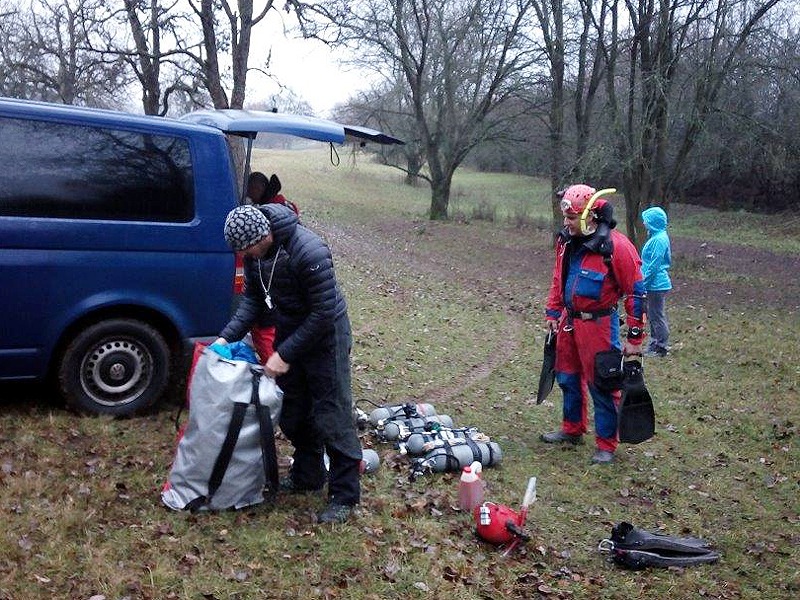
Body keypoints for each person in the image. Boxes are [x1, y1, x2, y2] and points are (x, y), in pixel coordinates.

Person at [214, 204, 361, 524]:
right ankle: (309, 475)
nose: (245, 256)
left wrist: (284, 355)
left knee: (331, 414)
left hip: (326, 337)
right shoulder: (255, 257)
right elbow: (252, 301)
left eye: (246, 249)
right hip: (291, 329)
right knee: (293, 412)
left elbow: (322, 314)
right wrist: (224, 340)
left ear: (263, 235)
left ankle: (345, 495)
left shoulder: (308, 251)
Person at [540, 184, 647, 464]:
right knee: (566, 377)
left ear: (590, 216)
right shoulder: (566, 243)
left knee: (602, 383)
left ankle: (606, 444)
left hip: (599, 325)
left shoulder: (617, 247)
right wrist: (553, 313)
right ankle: (572, 429)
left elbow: (636, 291)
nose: (566, 222)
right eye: (566, 217)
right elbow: (558, 280)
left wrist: (634, 338)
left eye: (571, 218)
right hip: (568, 322)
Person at [243, 172, 301, 364]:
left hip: (281, 273)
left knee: (267, 325)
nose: (249, 195)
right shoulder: (283, 204)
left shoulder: (271, 210)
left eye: (251, 191)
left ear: (259, 188)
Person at [640, 206, 672, 357]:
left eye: (646, 221)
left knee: (656, 315)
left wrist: (644, 283)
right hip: (654, 283)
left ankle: (661, 346)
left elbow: (654, 264)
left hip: (656, 284)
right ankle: (654, 343)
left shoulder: (658, 240)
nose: (644, 223)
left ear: (653, 222)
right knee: (653, 315)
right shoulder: (657, 236)